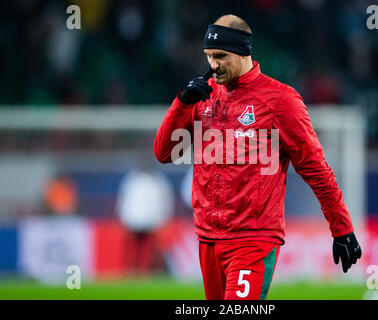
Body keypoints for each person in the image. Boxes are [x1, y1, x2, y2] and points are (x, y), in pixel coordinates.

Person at [154, 14, 362, 300]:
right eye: (208, 56)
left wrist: (342, 228)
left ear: (243, 52)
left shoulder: (280, 101)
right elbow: (164, 152)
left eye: (221, 56)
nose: (213, 65)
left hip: (253, 239)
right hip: (207, 237)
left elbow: (316, 169)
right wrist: (181, 103)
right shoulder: (202, 96)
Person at [116, 157, 174, 275]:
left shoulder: (158, 181)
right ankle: (132, 270)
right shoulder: (132, 180)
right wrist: (124, 218)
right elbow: (124, 200)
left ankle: (152, 271)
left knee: (152, 250)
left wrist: (163, 219)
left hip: (151, 222)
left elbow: (165, 201)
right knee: (133, 249)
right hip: (134, 221)